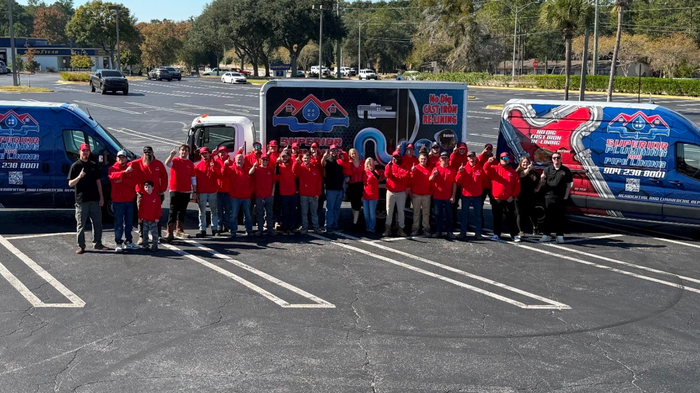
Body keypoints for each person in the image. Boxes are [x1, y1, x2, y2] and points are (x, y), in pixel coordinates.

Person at [68, 143, 108, 254]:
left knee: (98, 223)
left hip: (94, 199)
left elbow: (98, 182)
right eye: (83, 150)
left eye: (87, 150)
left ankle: (98, 243)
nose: (85, 152)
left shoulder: (93, 165)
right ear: (79, 152)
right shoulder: (75, 166)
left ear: (89, 152)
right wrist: (79, 176)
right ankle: (81, 246)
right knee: (81, 224)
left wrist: (101, 197)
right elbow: (70, 183)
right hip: (82, 200)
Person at [131, 146, 167, 245]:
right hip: (142, 195)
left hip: (156, 194)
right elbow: (125, 168)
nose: (147, 154)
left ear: (152, 152)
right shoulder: (137, 163)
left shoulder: (158, 164)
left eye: (149, 152)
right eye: (145, 152)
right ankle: (142, 236)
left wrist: (162, 189)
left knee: (157, 214)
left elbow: (164, 176)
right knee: (141, 215)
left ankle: (158, 235)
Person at [484, 152, 521, 242]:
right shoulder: (494, 169)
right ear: (500, 159)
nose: (505, 160)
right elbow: (485, 170)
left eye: (506, 158)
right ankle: (496, 234)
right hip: (497, 199)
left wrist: (513, 196)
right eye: (503, 158)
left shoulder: (513, 172)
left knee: (511, 217)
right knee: (497, 217)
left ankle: (514, 234)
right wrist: (488, 162)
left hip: (508, 199)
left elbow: (517, 185)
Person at [108, 150, 138, 252]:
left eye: (123, 157)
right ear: (117, 159)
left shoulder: (131, 169)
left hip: (129, 200)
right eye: (119, 157)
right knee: (118, 223)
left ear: (126, 158)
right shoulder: (112, 168)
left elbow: (134, 182)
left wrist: (122, 180)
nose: (121, 159)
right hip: (118, 201)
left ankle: (128, 241)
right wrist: (124, 173)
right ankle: (118, 242)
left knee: (129, 223)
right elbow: (112, 177)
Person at [540, 152, 573, 243]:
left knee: (560, 218)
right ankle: (546, 235)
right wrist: (541, 179)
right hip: (549, 197)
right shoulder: (547, 169)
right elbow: (542, 183)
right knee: (547, 217)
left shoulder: (565, 170)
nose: (556, 160)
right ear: (552, 159)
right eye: (554, 158)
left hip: (561, 197)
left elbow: (568, 185)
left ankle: (560, 236)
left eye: (558, 158)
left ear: (561, 159)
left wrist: (566, 197)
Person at [165, 144, 195, 242]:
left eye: (186, 150)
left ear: (188, 152)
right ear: (179, 151)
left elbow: (193, 178)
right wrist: (171, 155)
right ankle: (169, 232)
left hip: (186, 191)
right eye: (182, 150)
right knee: (172, 211)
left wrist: (194, 191)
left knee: (182, 211)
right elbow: (167, 163)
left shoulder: (190, 164)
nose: (184, 152)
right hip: (175, 190)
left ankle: (179, 230)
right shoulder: (175, 161)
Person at [455, 151, 485, 239]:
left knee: (478, 215)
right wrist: (460, 173)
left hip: (477, 196)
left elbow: (484, 180)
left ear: (475, 157)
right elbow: (458, 182)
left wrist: (478, 189)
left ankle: (478, 233)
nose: (471, 158)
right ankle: (463, 232)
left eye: (473, 156)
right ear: (467, 158)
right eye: (469, 157)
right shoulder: (463, 169)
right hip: (466, 196)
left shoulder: (480, 168)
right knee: (464, 215)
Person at [193, 147, 221, 237]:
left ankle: (214, 228)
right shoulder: (197, 166)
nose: (204, 155)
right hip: (202, 192)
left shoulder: (215, 164)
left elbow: (219, 176)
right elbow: (195, 181)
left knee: (214, 210)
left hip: (212, 191)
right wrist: (196, 192)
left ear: (209, 154)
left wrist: (213, 168)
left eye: (206, 153)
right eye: (202, 154)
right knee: (202, 211)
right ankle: (202, 229)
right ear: (200, 155)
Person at [430, 152, 457, 238]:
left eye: (446, 158)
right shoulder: (436, 169)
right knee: (438, 215)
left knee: (449, 215)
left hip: (448, 196)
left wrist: (453, 195)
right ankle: (438, 231)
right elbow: (430, 179)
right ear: (440, 159)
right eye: (443, 158)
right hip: (438, 196)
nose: (444, 160)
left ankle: (449, 232)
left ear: (449, 159)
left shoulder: (453, 170)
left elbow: (454, 184)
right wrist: (434, 175)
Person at [295, 152, 323, 234]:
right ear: (302, 159)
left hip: (313, 195)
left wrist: (318, 193)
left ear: (310, 159)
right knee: (304, 212)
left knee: (314, 213)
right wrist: (296, 164)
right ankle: (304, 227)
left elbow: (319, 182)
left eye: (308, 158)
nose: (306, 160)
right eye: (305, 158)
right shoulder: (300, 168)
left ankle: (316, 227)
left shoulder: (315, 169)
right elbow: (295, 174)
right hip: (303, 194)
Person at [384, 150, 410, 237]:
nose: (396, 158)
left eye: (397, 156)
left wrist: (395, 176)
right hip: (390, 191)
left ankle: (401, 229)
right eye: (394, 157)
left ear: (400, 157)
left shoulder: (405, 166)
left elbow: (405, 178)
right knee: (389, 211)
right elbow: (387, 175)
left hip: (401, 192)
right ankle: (388, 229)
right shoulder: (389, 165)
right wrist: (392, 171)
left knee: (401, 211)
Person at [227, 153, 254, 237]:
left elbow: (253, 183)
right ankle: (233, 231)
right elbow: (223, 173)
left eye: (241, 159)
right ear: (235, 160)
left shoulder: (249, 170)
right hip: (235, 197)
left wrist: (250, 192)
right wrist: (225, 165)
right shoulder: (230, 169)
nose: (240, 161)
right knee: (234, 215)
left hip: (246, 197)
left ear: (244, 161)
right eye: (238, 159)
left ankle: (249, 230)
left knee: (248, 215)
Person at [516, 156, 541, 238]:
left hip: (530, 195)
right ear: (520, 163)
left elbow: (540, 179)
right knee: (520, 213)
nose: (525, 164)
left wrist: (538, 188)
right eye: (523, 162)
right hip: (519, 196)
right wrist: (528, 169)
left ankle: (535, 227)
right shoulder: (518, 171)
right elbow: (522, 175)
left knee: (531, 213)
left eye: (527, 162)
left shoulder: (533, 172)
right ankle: (521, 231)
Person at [251, 154, 276, 236]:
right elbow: (249, 173)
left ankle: (270, 229)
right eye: (263, 159)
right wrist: (254, 166)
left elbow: (273, 183)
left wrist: (272, 193)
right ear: (260, 160)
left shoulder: (271, 170)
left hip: (269, 195)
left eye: (266, 160)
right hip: (259, 195)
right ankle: (260, 230)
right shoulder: (257, 169)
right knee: (259, 214)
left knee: (269, 214)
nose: (265, 161)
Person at [323, 145, 346, 232]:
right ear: (330, 151)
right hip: (331, 189)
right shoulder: (328, 160)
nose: (334, 152)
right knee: (330, 208)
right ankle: (328, 226)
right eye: (332, 150)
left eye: (336, 150)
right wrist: (324, 157)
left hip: (339, 188)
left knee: (337, 208)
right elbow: (323, 164)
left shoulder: (340, 160)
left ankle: (335, 225)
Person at [409, 151, 431, 236]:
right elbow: (411, 181)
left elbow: (432, 182)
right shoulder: (415, 168)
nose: (423, 160)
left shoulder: (429, 168)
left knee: (426, 213)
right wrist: (412, 172)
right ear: (418, 159)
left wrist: (430, 193)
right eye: (422, 159)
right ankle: (415, 228)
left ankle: (426, 229)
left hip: (426, 195)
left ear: (427, 160)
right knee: (416, 213)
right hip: (416, 195)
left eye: (425, 159)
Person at [276, 150, 297, 235]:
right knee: (284, 211)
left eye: (286, 156)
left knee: (293, 211)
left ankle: (291, 227)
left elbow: (297, 172)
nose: (285, 158)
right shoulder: (279, 167)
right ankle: (285, 228)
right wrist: (277, 163)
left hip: (292, 192)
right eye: (283, 157)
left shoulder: (293, 166)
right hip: (284, 193)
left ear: (289, 157)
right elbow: (275, 175)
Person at [139, 180, 162, 251]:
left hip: (153, 219)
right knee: (145, 233)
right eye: (146, 187)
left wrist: (157, 217)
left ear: (153, 187)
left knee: (154, 233)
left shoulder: (156, 197)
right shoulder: (143, 197)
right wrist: (140, 217)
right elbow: (141, 208)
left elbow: (158, 208)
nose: (147, 189)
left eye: (149, 187)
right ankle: (145, 244)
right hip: (145, 219)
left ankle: (155, 245)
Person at [362, 157, 383, 234]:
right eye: (368, 163)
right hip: (365, 195)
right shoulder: (364, 172)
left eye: (370, 163)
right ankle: (367, 227)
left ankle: (372, 228)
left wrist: (372, 171)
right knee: (366, 213)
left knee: (372, 213)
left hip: (373, 195)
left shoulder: (375, 171)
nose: (369, 165)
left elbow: (378, 177)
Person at [346, 148, 365, 231]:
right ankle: (355, 221)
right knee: (353, 204)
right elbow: (347, 174)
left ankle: (355, 224)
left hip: (360, 185)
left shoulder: (363, 162)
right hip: (352, 185)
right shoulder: (349, 164)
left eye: (355, 153)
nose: (354, 155)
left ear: (357, 153)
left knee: (357, 204)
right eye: (352, 154)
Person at [215, 146, 232, 235]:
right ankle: (219, 225)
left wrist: (226, 165)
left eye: (224, 152)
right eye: (221, 152)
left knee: (228, 209)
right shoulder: (216, 162)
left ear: (227, 153)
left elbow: (228, 175)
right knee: (219, 209)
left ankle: (227, 225)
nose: (222, 154)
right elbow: (219, 173)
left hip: (227, 189)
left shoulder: (231, 163)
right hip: (218, 189)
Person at [478, 143, 495, 229]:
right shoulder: (481, 157)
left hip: (491, 186)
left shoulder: (494, 159)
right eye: (486, 149)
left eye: (489, 149)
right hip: (483, 185)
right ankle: (480, 222)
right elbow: (477, 162)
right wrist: (482, 153)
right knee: (479, 205)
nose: (488, 151)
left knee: (494, 204)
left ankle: (495, 223)